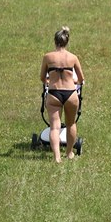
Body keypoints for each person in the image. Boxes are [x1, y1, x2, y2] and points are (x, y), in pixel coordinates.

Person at [39, 26, 85, 163]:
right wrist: (74, 80)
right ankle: (69, 153)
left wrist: (49, 80)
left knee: (54, 126)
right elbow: (81, 78)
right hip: (70, 93)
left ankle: (57, 157)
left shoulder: (47, 57)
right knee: (71, 124)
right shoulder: (73, 57)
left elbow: (42, 77)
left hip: (54, 93)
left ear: (55, 41)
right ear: (67, 42)